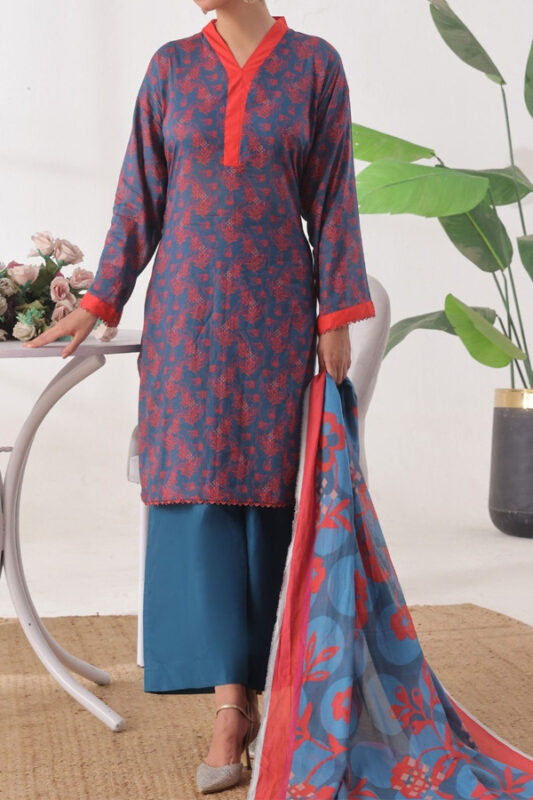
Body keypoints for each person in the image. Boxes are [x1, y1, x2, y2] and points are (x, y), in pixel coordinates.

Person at [24, 0, 375, 793]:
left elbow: (332, 199)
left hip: (274, 312)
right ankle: (227, 706)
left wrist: (335, 313)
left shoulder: (313, 65)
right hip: (184, 316)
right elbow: (138, 199)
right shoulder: (172, 68)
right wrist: (98, 300)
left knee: (268, 493)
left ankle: (275, 690)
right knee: (194, 489)